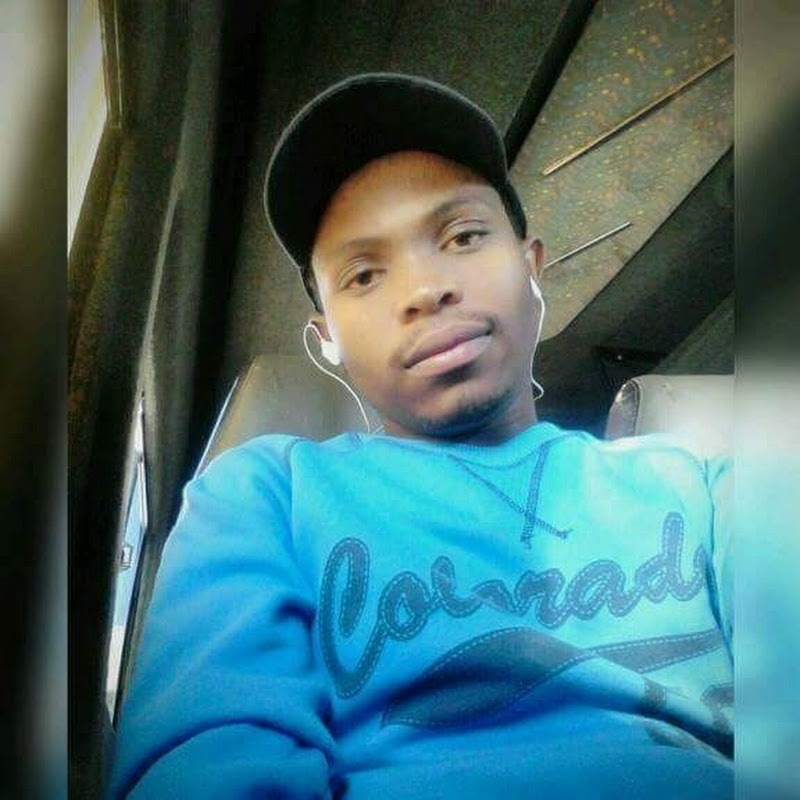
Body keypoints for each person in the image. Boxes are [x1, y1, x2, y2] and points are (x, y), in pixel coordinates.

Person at [109, 74, 733, 798]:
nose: (424, 290)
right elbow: (208, 765)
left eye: (463, 237)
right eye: (364, 275)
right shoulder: (264, 496)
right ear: (326, 338)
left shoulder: (698, 487)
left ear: (533, 268)